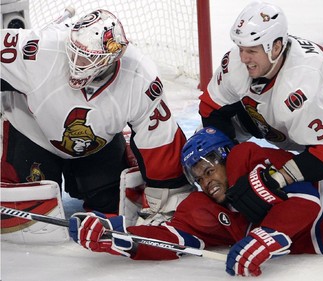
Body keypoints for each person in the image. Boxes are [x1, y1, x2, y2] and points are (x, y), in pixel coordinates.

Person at [68, 127, 323, 277]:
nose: (206, 181)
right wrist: (118, 237)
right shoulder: (202, 205)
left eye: (209, 170)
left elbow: (306, 199)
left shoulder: (249, 158)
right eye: (198, 176)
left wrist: (267, 237)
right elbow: (173, 239)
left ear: (226, 157)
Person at [198, 0, 323, 238]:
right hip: (304, 121)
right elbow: (211, 108)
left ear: (276, 47)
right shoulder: (238, 64)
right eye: (241, 48)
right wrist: (226, 170)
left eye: (252, 50)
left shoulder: (303, 84)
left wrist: (273, 180)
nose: (244, 57)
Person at [0, 9, 193, 221]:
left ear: (112, 58)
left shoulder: (140, 77)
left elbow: (160, 142)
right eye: (74, 51)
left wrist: (166, 200)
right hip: (31, 132)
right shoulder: (40, 48)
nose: (75, 61)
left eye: (87, 57)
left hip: (96, 143)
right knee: (27, 215)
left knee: (114, 205)